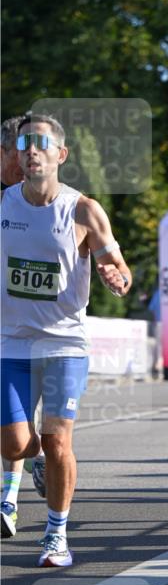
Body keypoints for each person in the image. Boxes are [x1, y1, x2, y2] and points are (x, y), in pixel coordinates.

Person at [0, 112, 132, 565]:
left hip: (64, 346)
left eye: (40, 143)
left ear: (61, 154)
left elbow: (121, 267)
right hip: (12, 344)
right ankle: (33, 461)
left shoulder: (83, 210)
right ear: (17, 154)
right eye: (24, 143)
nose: (31, 150)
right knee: (15, 443)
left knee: (58, 441)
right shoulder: (3, 206)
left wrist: (117, 276)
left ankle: (56, 535)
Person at [0, 116, 46, 537]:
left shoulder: (52, 202)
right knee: (11, 429)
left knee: (17, 427)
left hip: (44, 333)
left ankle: (8, 501)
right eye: (16, 151)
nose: (24, 160)